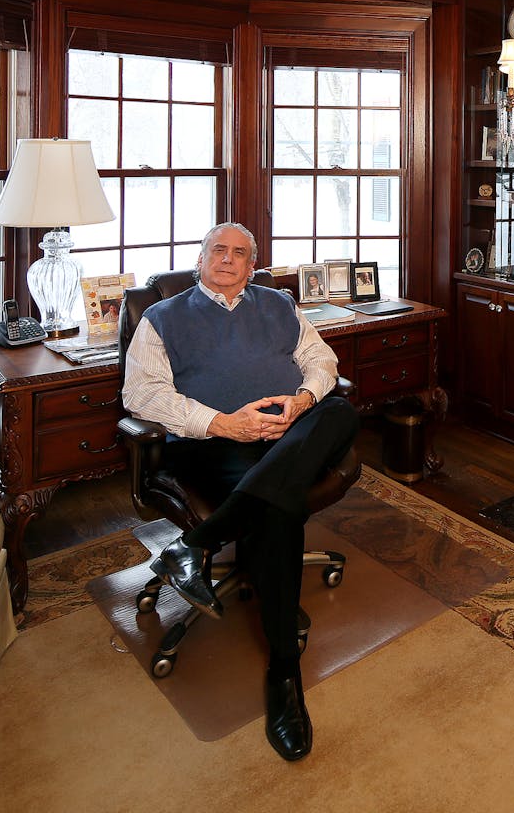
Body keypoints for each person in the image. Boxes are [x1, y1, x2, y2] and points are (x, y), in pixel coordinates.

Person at [121, 222, 358, 762]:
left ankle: (199, 542)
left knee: (338, 408)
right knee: (280, 510)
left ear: (253, 264)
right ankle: (284, 676)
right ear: (201, 257)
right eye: (218, 251)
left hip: (285, 431)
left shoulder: (278, 304)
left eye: (240, 254)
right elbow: (141, 396)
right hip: (214, 443)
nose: (228, 261)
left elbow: (322, 361)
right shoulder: (162, 318)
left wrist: (300, 402)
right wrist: (224, 423)